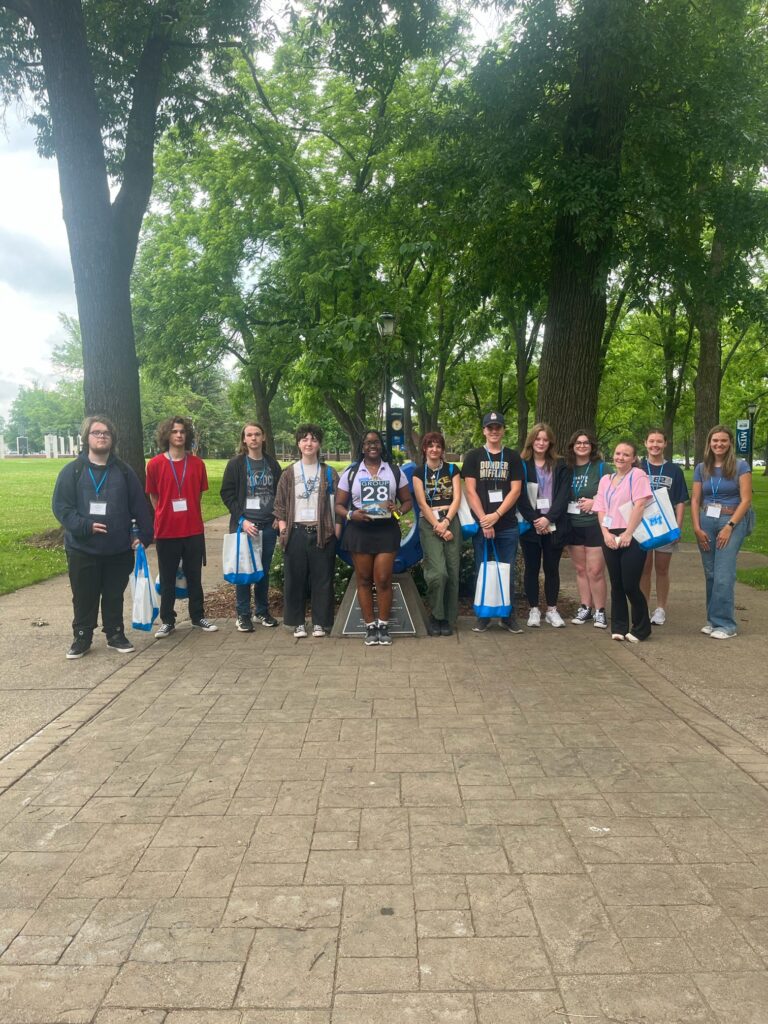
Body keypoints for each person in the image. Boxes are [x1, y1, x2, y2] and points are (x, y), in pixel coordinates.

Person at [52, 415, 153, 659]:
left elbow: (140, 506)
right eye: (96, 433)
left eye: (105, 433)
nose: (101, 436)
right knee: (84, 595)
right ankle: (82, 637)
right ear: (87, 438)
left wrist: (144, 536)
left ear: (112, 438)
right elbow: (62, 508)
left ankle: (115, 633)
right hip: (82, 548)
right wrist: (84, 526)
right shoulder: (72, 471)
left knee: (113, 594)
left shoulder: (124, 472)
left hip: (117, 548)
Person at [335, 429, 413, 646]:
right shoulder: (351, 473)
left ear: (381, 446)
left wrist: (396, 511)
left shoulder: (394, 471)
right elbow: (339, 505)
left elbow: (407, 502)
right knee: (364, 579)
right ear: (362, 447)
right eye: (368, 442)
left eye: (376, 442)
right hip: (359, 530)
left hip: (386, 530)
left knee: (383, 578)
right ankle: (370, 627)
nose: (372, 445)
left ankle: (383, 624)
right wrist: (352, 514)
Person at [146, 416, 218, 637]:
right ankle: (168, 620)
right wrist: (164, 514)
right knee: (167, 577)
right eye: (175, 431)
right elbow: (154, 496)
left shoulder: (197, 464)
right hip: (167, 531)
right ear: (167, 435)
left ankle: (198, 617)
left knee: (194, 576)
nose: (178, 435)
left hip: (192, 530)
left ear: (187, 436)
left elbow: (197, 496)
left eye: (182, 432)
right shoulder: (155, 464)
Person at [273, 425, 339, 639]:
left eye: (313, 439)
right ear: (298, 444)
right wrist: (283, 529)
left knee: (323, 579)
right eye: (304, 439)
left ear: (319, 444)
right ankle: (297, 622)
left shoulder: (328, 472)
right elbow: (280, 504)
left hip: (322, 532)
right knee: (295, 579)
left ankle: (321, 622)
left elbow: (339, 502)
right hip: (296, 532)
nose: (309, 443)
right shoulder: (289, 473)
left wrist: (336, 530)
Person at [462, 411, 524, 633]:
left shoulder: (513, 457)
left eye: (498, 427)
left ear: (503, 430)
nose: (494, 431)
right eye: (490, 427)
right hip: (482, 525)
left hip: (506, 525)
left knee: (507, 572)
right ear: (484, 431)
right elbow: (470, 491)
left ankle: (508, 616)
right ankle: (483, 616)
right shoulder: (473, 456)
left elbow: (515, 491)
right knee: (483, 570)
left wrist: (496, 516)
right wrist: (484, 521)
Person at [691, 424, 753, 639]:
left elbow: (746, 500)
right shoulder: (701, 468)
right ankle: (712, 619)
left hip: (731, 519)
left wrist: (730, 526)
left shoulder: (740, 466)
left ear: (730, 444)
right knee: (711, 573)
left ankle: (726, 625)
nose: (719, 444)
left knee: (723, 575)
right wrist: (697, 527)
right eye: (715, 440)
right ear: (709, 443)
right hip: (707, 520)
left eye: (723, 441)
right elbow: (696, 499)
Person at [220, 421, 283, 632]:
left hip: (267, 526)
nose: (253, 438)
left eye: (257, 434)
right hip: (245, 527)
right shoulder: (236, 464)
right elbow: (226, 494)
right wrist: (242, 520)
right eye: (249, 435)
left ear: (263, 437)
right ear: (244, 439)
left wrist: (278, 516)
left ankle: (262, 612)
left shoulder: (272, 464)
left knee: (263, 572)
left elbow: (280, 494)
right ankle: (243, 614)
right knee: (244, 572)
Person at [593, 440, 653, 643]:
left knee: (630, 584)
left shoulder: (637, 476)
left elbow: (639, 505)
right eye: (618, 453)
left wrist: (628, 533)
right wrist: (605, 533)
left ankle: (642, 627)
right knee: (616, 583)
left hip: (633, 535)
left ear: (634, 458)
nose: (621, 457)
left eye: (626, 454)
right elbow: (600, 508)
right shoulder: (605, 480)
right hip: (610, 535)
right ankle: (619, 626)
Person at [515, 423, 570, 628]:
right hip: (531, 525)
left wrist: (548, 519)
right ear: (531, 440)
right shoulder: (522, 464)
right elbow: (518, 495)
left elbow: (564, 495)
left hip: (554, 524)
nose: (541, 443)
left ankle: (552, 610)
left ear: (550, 442)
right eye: (537, 439)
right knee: (531, 568)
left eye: (545, 439)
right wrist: (536, 520)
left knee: (551, 568)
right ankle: (534, 609)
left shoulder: (560, 465)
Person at [412, 431, 462, 636]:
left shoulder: (452, 469)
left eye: (438, 446)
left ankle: (448, 619)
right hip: (429, 524)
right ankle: (436, 614)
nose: (434, 449)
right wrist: (438, 526)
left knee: (452, 571)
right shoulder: (418, 472)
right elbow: (422, 503)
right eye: (430, 445)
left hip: (451, 520)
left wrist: (447, 521)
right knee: (438, 572)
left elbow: (457, 498)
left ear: (442, 450)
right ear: (424, 449)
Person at [638, 428, 689, 626]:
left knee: (662, 568)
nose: (655, 445)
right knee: (643, 569)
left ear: (665, 444)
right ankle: (642, 606)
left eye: (659, 441)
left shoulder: (674, 470)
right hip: (642, 526)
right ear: (645, 443)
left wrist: (678, 526)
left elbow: (681, 500)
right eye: (651, 441)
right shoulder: (638, 467)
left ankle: (660, 608)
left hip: (666, 525)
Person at [564, 429, 611, 629]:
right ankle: (585, 607)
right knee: (581, 569)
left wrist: (595, 502)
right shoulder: (566, 468)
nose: (582, 446)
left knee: (595, 570)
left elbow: (613, 495)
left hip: (594, 525)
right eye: (578, 443)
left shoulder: (601, 468)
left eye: (586, 443)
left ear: (592, 446)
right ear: (572, 446)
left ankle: (600, 610)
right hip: (573, 525)